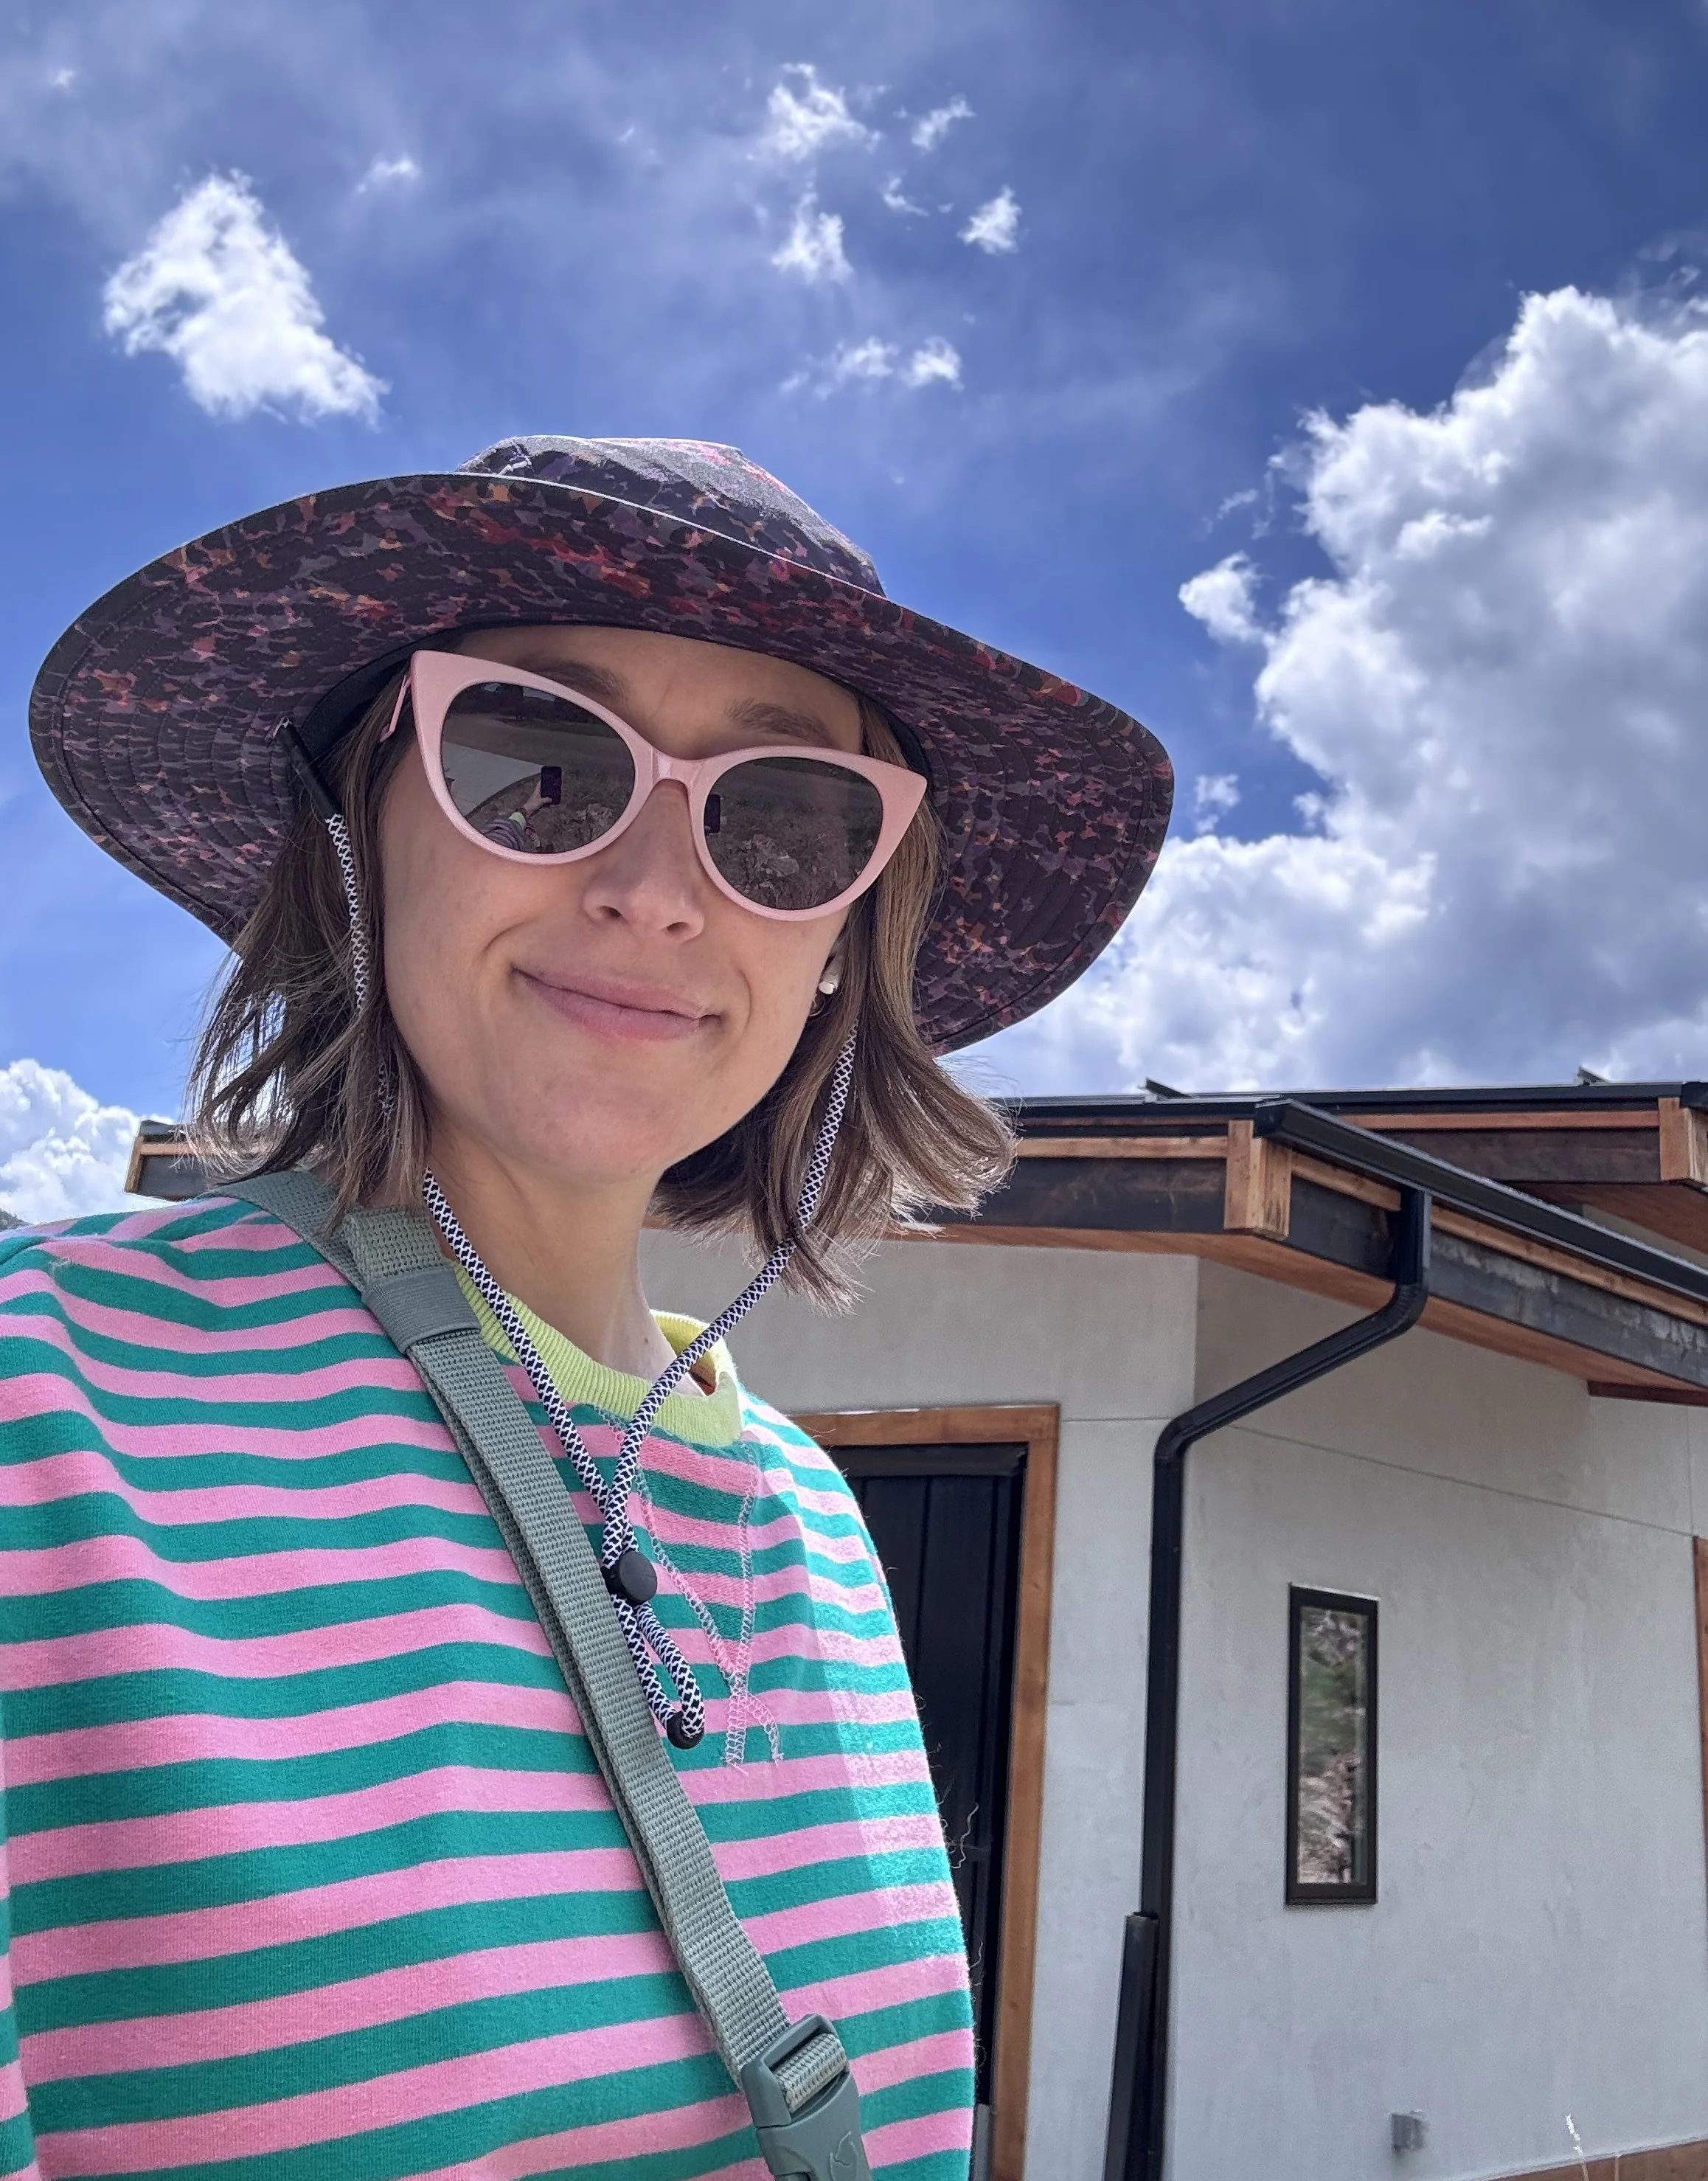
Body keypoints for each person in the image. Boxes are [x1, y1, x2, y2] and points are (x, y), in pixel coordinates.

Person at [3, 437, 1172, 2178]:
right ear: (357, 825)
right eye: (534, 760)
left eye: (785, 819)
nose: (652, 884)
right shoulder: (48, 1401)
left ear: (849, 933)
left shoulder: (817, 1522)